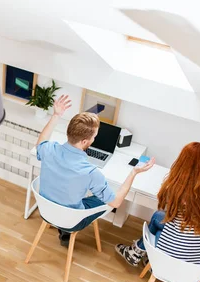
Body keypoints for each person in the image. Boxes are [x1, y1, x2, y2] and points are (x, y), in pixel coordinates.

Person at [36, 95, 155, 246]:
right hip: (72, 221)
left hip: (46, 211)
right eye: (94, 137)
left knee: (78, 191)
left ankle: (63, 231)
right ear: (85, 141)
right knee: (105, 198)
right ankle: (66, 231)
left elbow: (41, 142)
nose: (94, 140)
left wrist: (56, 115)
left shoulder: (49, 149)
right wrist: (133, 172)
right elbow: (117, 203)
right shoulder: (91, 172)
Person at [116, 142, 200, 267]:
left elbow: (167, 210)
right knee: (163, 218)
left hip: (170, 254)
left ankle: (137, 253)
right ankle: (142, 257)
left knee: (158, 217)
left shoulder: (177, 187)